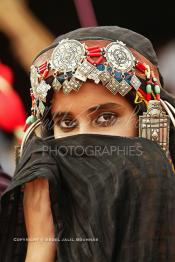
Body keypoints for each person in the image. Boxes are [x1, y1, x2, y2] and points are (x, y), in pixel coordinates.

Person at [0, 26, 175, 262]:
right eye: (67, 123)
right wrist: (41, 245)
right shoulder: (36, 222)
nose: (82, 142)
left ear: (148, 124)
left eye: (105, 118)